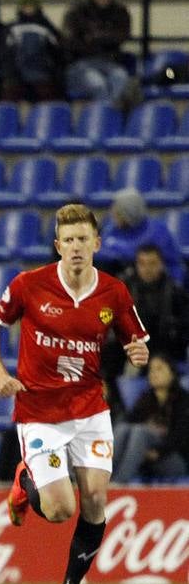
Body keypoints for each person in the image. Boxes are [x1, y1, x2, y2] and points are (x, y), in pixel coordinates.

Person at [0, 203, 149, 584]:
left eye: (82, 240)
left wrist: (138, 351)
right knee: (59, 510)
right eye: (68, 240)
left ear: (96, 243)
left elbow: (136, 338)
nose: (75, 247)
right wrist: (1, 373)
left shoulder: (114, 292)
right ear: (58, 245)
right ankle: (26, 482)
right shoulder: (29, 285)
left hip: (90, 409)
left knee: (94, 499)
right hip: (40, 411)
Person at [102, 245, 189, 386]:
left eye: (152, 263)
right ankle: (110, 394)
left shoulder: (174, 292)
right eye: (142, 263)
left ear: (161, 264)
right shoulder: (123, 287)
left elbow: (184, 329)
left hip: (162, 347)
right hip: (128, 344)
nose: (147, 269)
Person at [62, 0, 136, 106]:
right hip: (81, 64)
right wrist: (104, 38)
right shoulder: (77, 11)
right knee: (98, 84)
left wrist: (94, 37)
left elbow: (122, 36)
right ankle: (109, 121)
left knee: (121, 78)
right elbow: (71, 41)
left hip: (111, 63)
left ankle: (107, 119)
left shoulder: (120, 12)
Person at [112, 354, 189, 482]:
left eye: (159, 369)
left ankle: (119, 483)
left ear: (172, 373)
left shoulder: (183, 400)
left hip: (171, 458)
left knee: (140, 431)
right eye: (151, 370)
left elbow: (181, 437)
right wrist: (139, 450)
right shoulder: (146, 399)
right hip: (143, 458)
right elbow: (129, 423)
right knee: (122, 428)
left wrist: (158, 452)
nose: (153, 373)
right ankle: (103, 478)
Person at [95, 188, 185, 286]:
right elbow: (98, 252)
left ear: (129, 214)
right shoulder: (110, 228)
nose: (113, 214)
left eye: (118, 212)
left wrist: (176, 285)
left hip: (154, 287)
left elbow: (174, 264)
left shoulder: (158, 232)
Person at [1, 0, 65, 103]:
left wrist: (51, 73)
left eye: (32, 4)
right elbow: (6, 55)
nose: (28, 8)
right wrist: (10, 74)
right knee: (10, 91)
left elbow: (57, 53)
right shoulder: (12, 28)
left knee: (47, 92)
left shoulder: (47, 27)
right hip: (17, 77)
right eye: (25, 4)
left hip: (42, 77)